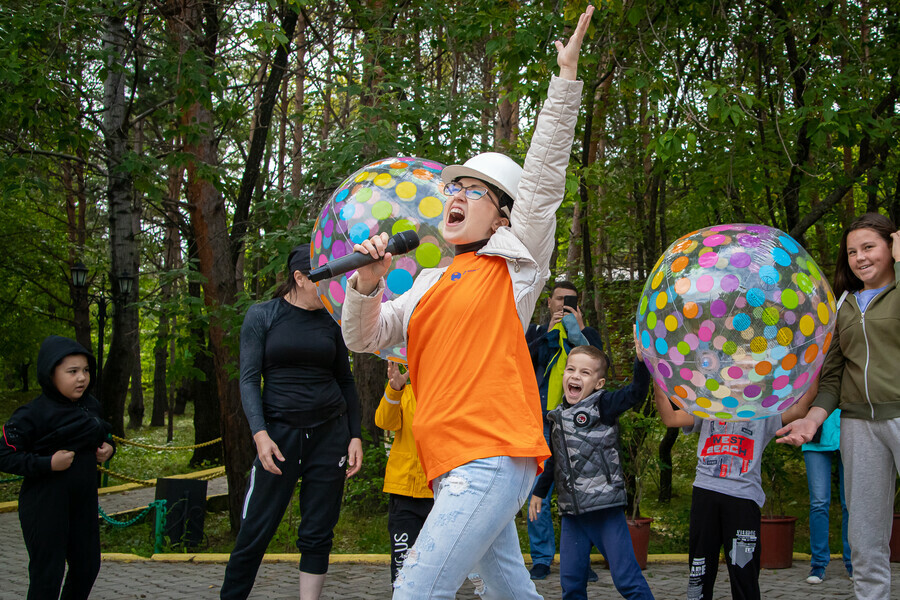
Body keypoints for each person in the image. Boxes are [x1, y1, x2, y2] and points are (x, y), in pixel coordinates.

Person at [340, 7, 595, 598]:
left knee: (414, 592)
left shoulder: (515, 264)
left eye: (471, 189)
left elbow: (545, 178)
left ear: (502, 212)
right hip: (449, 462)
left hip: (489, 456)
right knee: (510, 592)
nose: (453, 194)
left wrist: (565, 80)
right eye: (451, 187)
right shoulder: (429, 282)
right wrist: (368, 282)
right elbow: (365, 338)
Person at [220, 244, 363, 600]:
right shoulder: (263, 315)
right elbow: (249, 379)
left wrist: (355, 435)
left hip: (330, 435)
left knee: (318, 531)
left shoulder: (333, 318)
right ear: (299, 278)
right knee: (256, 529)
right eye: (323, 279)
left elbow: (345, 381)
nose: (332, 286)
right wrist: (260, 434)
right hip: (279, 437)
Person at [777, 213, 900, 600]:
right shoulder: (842, 305)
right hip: (858, 426)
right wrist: (811, 421)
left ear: (891, 247)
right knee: (864, 535)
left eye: (869, 247)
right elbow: (832, 377)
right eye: (851, 251)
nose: (859, 257)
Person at [652, 381, 813, 600]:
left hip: (743, 499)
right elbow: (670, 418)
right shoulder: (708, 408)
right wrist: (656, 375)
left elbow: (801, 409)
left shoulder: (763, 414)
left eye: (749, 371)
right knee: (700, 569)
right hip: (705, 493)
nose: (741, 378)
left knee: (744, 572)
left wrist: (820, 357)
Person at [528, 344, 655, 600]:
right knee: (571, 585)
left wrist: (641, 362)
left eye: (585, 373)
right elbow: (554, 461)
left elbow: (635, 393)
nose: (575, 376)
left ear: (598, 384)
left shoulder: (603, 405)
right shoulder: (558, 416)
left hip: (605, 511)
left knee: (627, 580)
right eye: (571, 369)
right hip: (572, 515)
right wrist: (538, 493)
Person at [0, 335, 114, 600]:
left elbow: (103, 434)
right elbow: (4, 454)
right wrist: (47, 464)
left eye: (85, 370)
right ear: (50, 373)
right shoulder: (32, 414)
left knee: (87, 567)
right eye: (72, 371)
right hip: (44, 504)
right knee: (47, 575)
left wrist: (108, 449)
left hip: (83, 503)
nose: (82, 378)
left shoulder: (90, 406)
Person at [525, 281, 604, 580]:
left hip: (577, 427)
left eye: (568, 301)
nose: (562, 306)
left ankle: (580, 561)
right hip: (540, 424)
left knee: (577, 494)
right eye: (558, 300)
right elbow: (523, 361)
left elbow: (597, 364)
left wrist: (579, 331)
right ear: (548, 303)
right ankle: (542, 558)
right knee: (538, 494)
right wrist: (549, 333)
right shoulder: (534, 332)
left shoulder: (585, 335)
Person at [375, 362, 434, 584]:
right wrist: (395, 390)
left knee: (436, 562)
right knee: (403, 564)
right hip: (404, 492)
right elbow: (384, 421)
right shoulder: (403, 393)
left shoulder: (449, 394)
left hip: (439, 492)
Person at [801, 399, 851, 584]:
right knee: (819, 502)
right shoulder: (813, 368)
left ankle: (853, 562)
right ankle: (818, 565)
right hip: (815, 434)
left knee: (851, 503)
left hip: (850, 432)